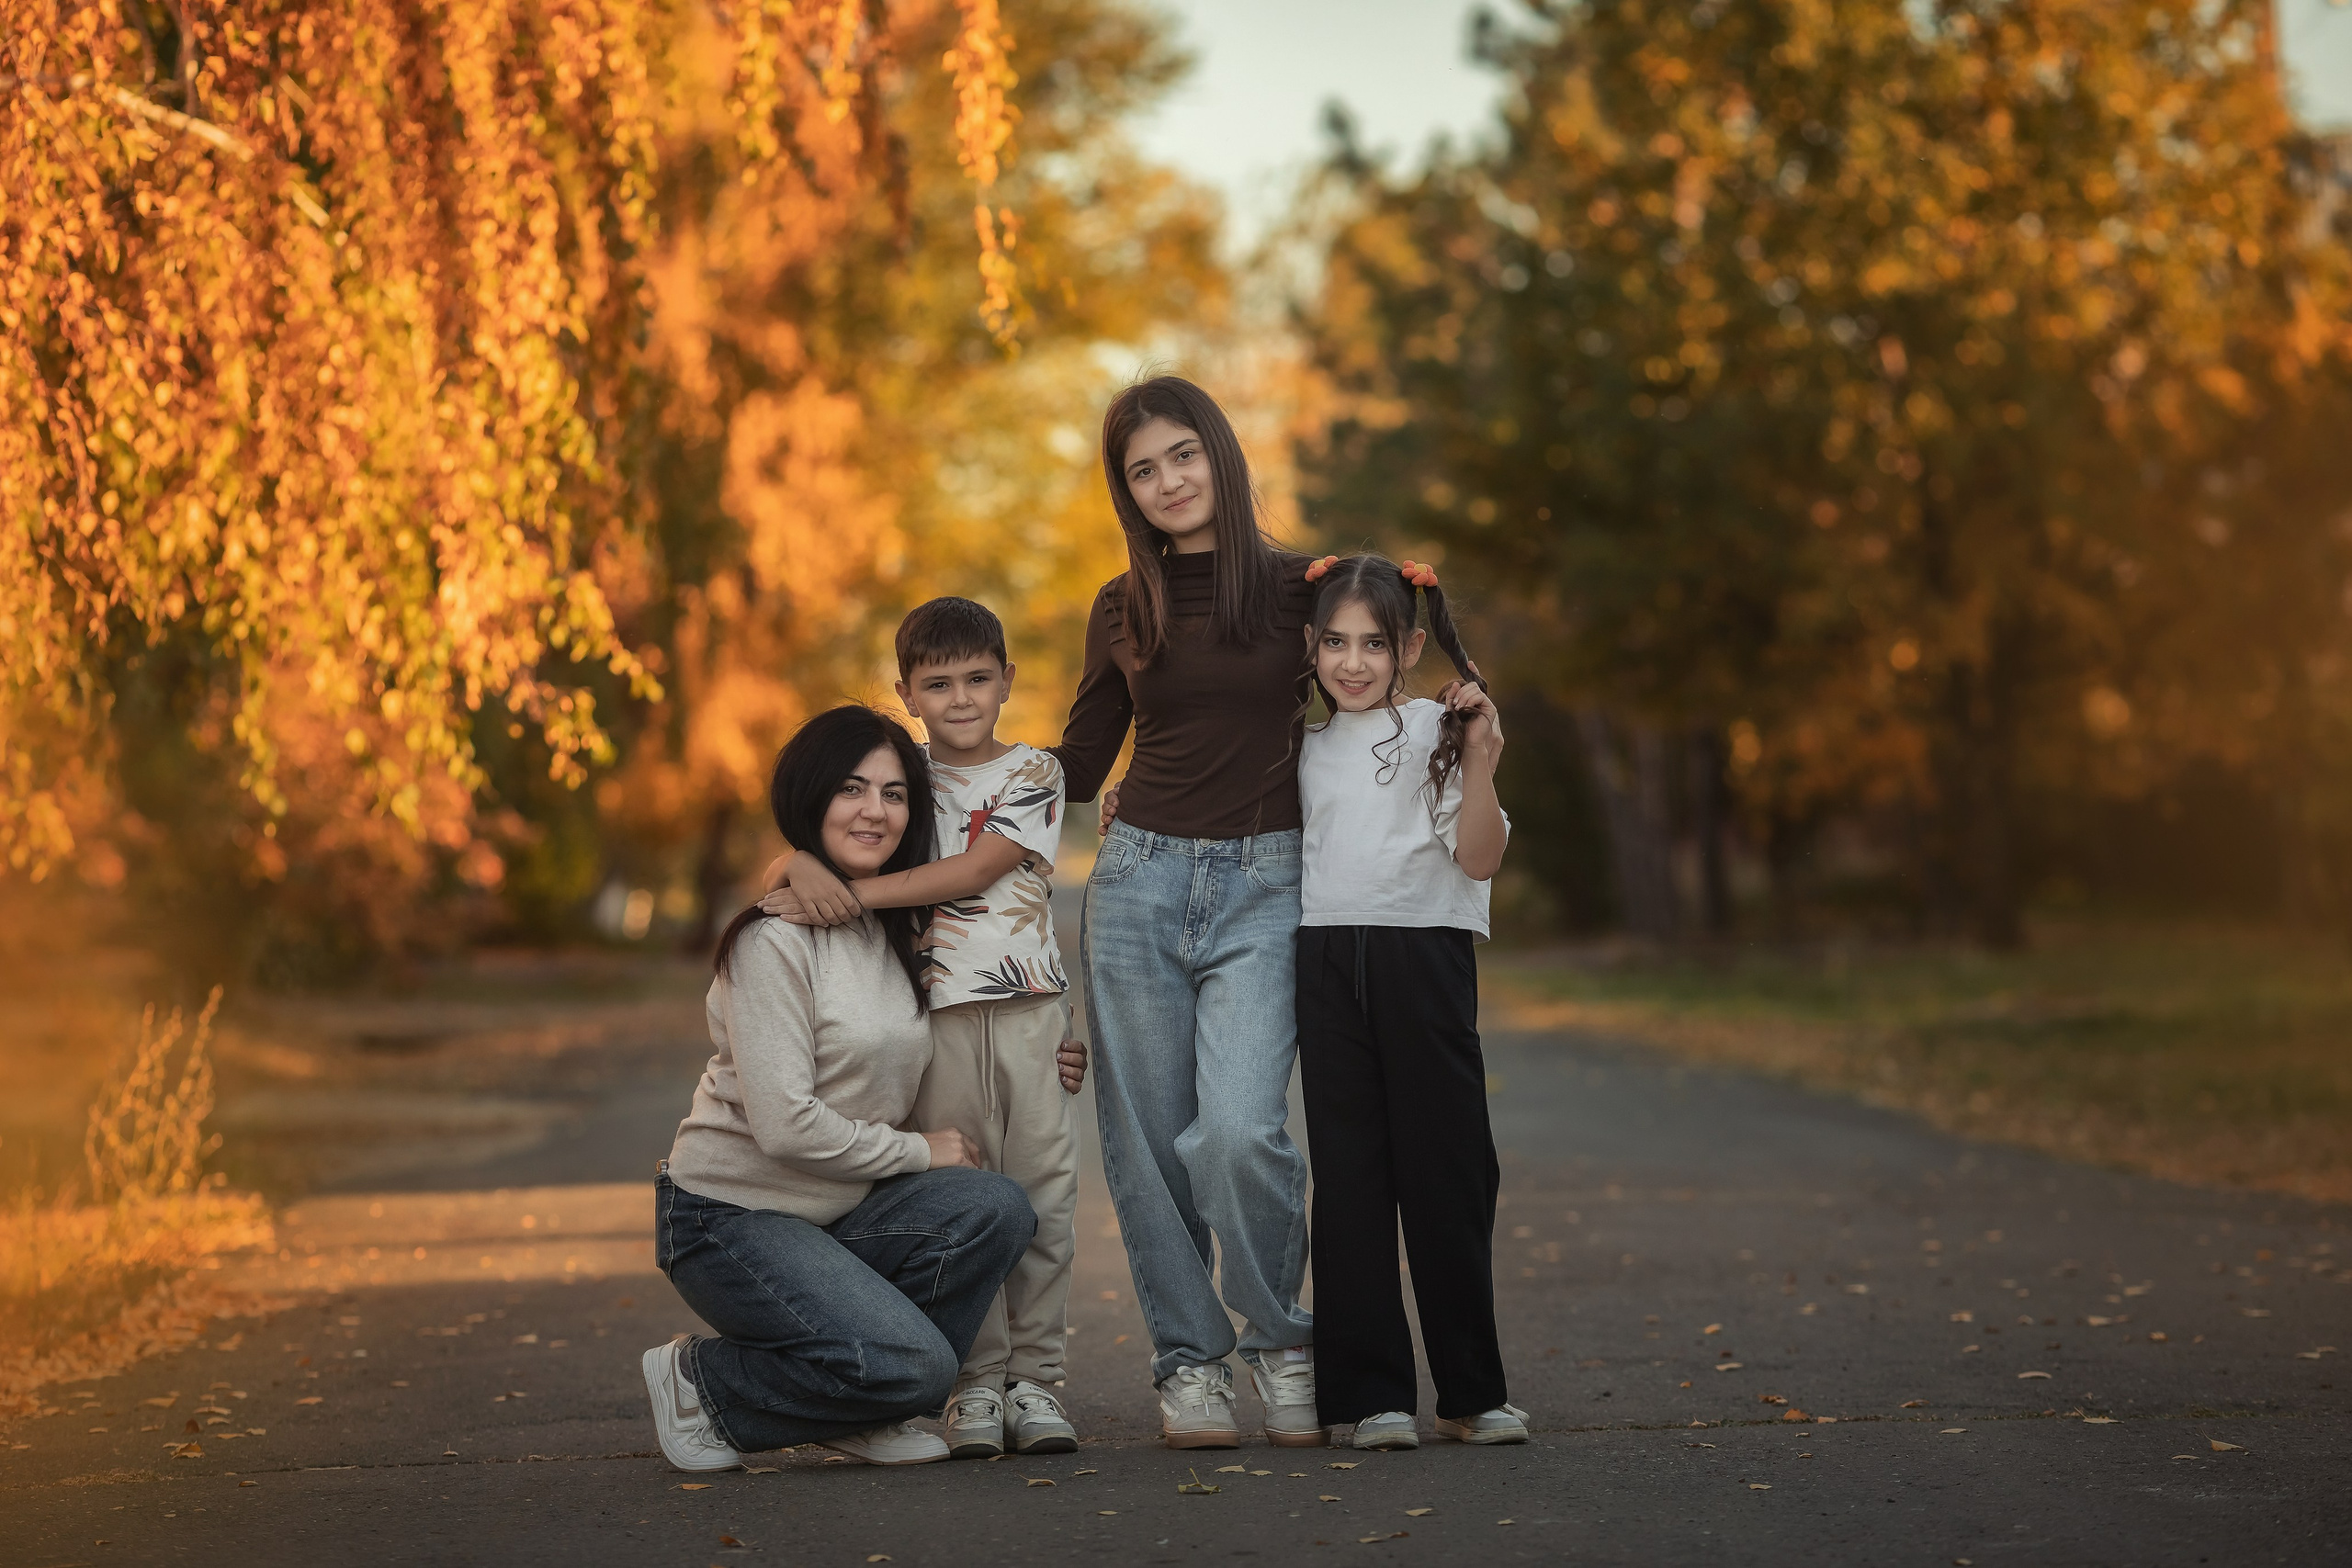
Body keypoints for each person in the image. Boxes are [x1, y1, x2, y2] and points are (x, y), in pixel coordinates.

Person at [641, 705, 1080, 1472]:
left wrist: (1057, 1042)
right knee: (922, 1369)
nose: (874, 810)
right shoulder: (773, 939)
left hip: (836, 1210)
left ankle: (858, 1403)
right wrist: (919, 1149)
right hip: (732, 1216)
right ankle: (703, 1381)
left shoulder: (899, 924)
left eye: (893, 793)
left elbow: (1000, 954)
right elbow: (783, 1126)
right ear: (813, 796)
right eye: (851, 788)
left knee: (998, 1207)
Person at [1049, 375, 1325, 1450]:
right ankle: (1188, 1363)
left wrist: (1463, 712)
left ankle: (1281, 1341)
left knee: (1242, 1132)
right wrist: (927, 767)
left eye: (1181, 456)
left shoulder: (1309, 586)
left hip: (1267, 884)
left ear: (1220, 451)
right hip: (1137, 886)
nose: (1166, 482)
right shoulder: (1123, 606)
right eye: (1141, 470)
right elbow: (1078, 764)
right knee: (1150, 1149)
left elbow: (1372, 681)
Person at [757, 597, 1086, 1460]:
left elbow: (981, 869)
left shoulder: (1034, 773)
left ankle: (1038, 1381)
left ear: (1008, 680)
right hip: (930, 1019)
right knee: (963, 1197)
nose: (963, 697)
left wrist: (850, 894)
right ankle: (975, 1382)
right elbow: (807, 852)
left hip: (1028, 1016)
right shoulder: (898, 782)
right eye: (938, 683)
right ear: (908, 693)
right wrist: (799, 861)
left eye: (979, 677)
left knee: (1044, 1195)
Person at [1291, 552, 1527, 1450]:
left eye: (1374, 645)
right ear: (1310, 647)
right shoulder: (1297, 747)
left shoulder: (1440, 727)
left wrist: (1481, 759)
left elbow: (1478, 859)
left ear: (1411, 646)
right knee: (1350, 1180)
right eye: (1335, 643)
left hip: (1420, 957)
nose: (1353, 663)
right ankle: (1368, 1397)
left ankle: (1471, 1391)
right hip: (1323, 961)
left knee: (1448, 1173)